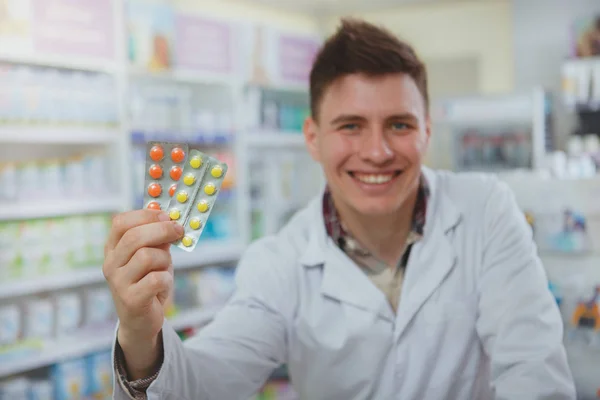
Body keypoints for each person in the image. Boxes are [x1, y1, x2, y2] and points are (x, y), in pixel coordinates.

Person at [104, 19, 576, 400]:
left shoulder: (486, 212)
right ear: (313, 136)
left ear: (427, 131)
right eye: (350, 125)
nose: (377, 151)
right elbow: (204, 384)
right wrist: (142, 335)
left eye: (399, 124)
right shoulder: (280, 261)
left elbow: (534, 371)